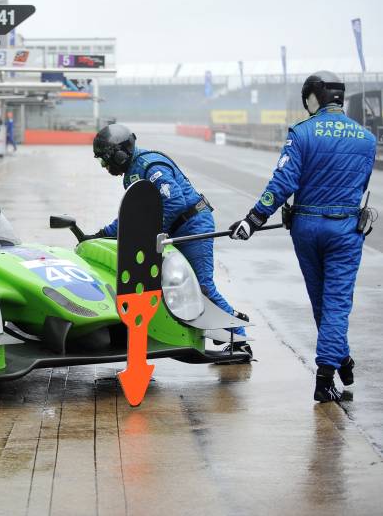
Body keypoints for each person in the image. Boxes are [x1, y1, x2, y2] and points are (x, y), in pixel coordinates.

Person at [228, 71, 376, 402]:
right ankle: (329, 375)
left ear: (312, 99)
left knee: (322, 302)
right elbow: (361, 184)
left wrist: (253, 220)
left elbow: (282, 182)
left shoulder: (301, 133)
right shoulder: (366, 139)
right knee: (337, 303)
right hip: (345, 228)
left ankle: (338, 366)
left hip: (306, 227)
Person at [92, 123, 251, 361]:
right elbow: (133, 214)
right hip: (175, 229)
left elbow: (174, 201)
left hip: (194, 223)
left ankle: (240, 339)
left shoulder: (151, 165)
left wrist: (150, 233)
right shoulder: (131, 174)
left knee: (203, 287)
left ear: (120, 153)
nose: (105, 167)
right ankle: (228, 318)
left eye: (106, 160)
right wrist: (103, 233)